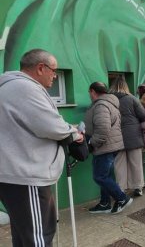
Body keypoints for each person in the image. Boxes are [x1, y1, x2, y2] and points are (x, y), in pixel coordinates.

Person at [0, 49, 83, 246]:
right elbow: (50, 125)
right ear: (40, 68)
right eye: (53, 70)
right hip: (26, 175)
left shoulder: (9, 86)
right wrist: (74, 132)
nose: (55, 76)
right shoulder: (25, 88)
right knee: (39, 237)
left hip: (14, 174)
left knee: (24, 235)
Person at [84, 82, 132, 214]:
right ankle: (105, 203)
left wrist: (91, 143)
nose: (89, 95)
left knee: (100, 176)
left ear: (93, 91)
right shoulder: (108, 103)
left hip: (104, 147)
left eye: (89, 92)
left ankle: (122, 198)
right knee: (106, 175)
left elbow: (103, 129)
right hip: (110, 146)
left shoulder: (101, 105)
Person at [109, 76, 145, 197]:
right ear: (126, 86)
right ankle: (138, 187)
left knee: (119, 163)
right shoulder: (132, 99)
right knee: (135, 162)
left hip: (116, 136)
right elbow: (143, 115)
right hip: (133, 135)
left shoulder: (109, 100)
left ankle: (121, 188)